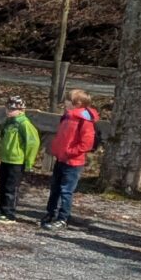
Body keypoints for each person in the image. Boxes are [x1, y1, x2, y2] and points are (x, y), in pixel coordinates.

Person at [40, 88, 98, 230]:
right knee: (55, 188)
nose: (65, 102)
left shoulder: (84, 120)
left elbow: (86, 143)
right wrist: (57, 149)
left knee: (66, 191)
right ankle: (51, 213)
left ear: (77, 103)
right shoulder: (67, 116)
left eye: (68, 100)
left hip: (73, 162)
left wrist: (70, 152)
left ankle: (63, 218)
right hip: (61, 158)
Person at [0, 97, 40, 219]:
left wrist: (29, 162)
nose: (8, 111)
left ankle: (9, 214)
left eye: (12, 109)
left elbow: (33, 143)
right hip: (6, 159)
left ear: (21, 110)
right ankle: (2, 210)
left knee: (11, 188)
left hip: (17, 161)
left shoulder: (24, 124)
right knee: (2, 186)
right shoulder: (8, 122)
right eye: (7, 108)